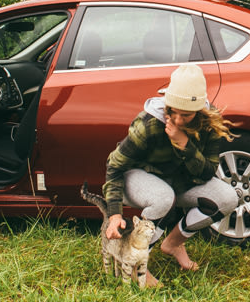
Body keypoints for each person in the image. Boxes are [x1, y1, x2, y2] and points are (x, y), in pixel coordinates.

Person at [101, 63, 237, 285]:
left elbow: (207, 173)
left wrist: (185, 144)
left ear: (200, 109)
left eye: (186, 115)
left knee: (228, 198)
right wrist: (115, 214)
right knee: (163, 197)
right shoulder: (149, 123)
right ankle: (135, 266)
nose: (177, 120)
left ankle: (172, 244)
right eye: (172, 111)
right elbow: (114, 166)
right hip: (136, 179)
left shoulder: (209, 124)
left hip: (176, 185)